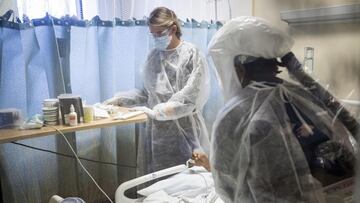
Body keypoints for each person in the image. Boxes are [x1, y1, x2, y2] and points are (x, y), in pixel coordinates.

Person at [208, 16, 356, 203]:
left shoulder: (234, 115)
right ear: (276, 63)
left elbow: (226, 183)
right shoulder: (306, 97)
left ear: (237, 67)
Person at [103, 7, 210, 174]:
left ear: (173, 29)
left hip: (185, 131)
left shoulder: (191, 55)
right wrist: (121, 100)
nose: (156, 38)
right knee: (157, 185)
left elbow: (189, 100)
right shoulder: (153, 57)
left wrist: (159, 112)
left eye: (159, 33)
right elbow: (147, 93)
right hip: (157, 135)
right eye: (153, 34)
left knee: (188, 184)